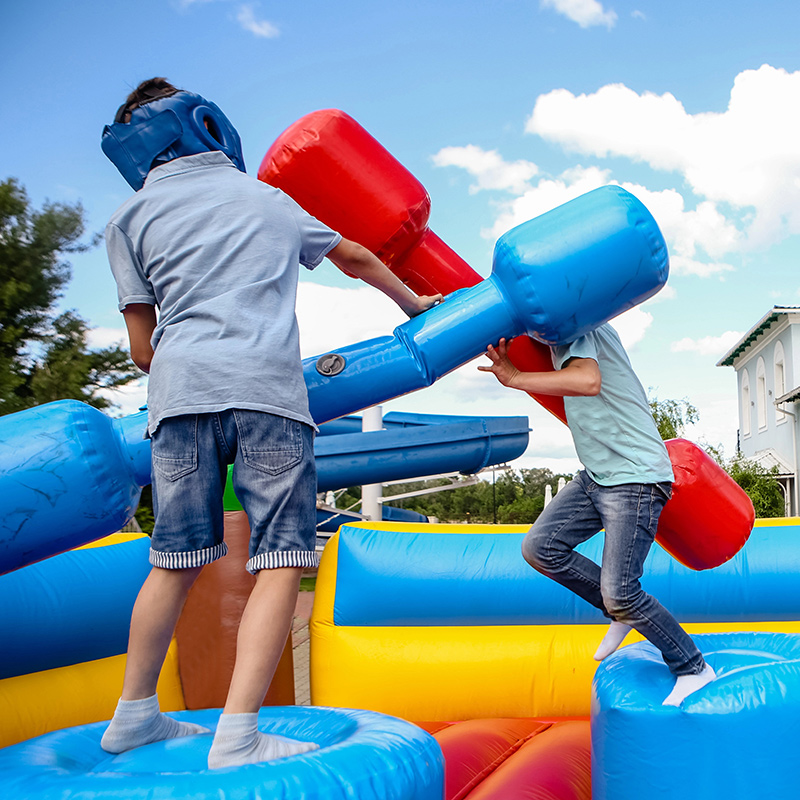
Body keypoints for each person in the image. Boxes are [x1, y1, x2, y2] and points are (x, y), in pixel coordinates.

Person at [99, 78, 441, 769]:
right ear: (207, 125)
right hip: (266, 394)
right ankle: (239, 733)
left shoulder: (127, 219)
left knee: (172, 560)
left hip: (178, 396)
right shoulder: (267, 201)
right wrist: (415, 306)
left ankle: (132, 715)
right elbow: (355, 256)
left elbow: (142, 350)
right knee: (282, 557)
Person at [478, 326, 715, 706]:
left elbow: (588, 380)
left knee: (623, 592)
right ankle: (618, 610)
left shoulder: (580, 326)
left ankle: (692, 667)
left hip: (634, 478)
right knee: (540, 547)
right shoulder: (562, 336)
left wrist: (516, 378)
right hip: (597, 476)